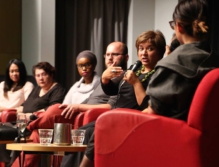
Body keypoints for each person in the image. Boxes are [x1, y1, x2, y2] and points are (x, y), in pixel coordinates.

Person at [80, 0, 219, 167]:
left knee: (106, 123)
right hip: (207, 136)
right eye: (141, 48)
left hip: (167, 131)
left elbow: (153, 110)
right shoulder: (214, 59)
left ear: (179, 27)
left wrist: (119, 116)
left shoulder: (173, 62)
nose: (144, 53)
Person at [62, 30, 166, 167]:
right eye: (141, 49)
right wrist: (105, 79)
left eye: (150, 49)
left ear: (160, 52)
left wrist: (136, 83)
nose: (144, 53)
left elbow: (146, 105)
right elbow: (111, 90)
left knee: (96, 130)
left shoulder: (159, 74)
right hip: (114, 115)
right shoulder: (136, 69)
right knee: (78, 133)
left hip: (132, 119)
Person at [10, 51, 101, 167]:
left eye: (87, 64)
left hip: (77, 117)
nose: (84, 68)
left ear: (94, 65)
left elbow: (89, 103)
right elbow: (65, 104)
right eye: (80, 65)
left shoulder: (99, 84)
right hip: (64, 116)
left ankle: (27, 126)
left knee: (53, 109)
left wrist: (75, 107)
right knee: (37, 134)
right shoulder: (76, 86)